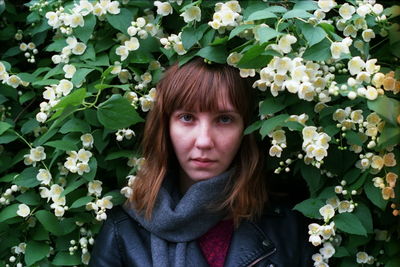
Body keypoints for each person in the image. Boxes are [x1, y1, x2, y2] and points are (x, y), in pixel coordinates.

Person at [89, 57, 313, 267]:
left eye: (224, 119)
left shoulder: (289, 226)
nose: (204, 141)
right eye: (187, 118)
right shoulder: (123, 233)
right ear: (165, 127)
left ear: (246, 130)